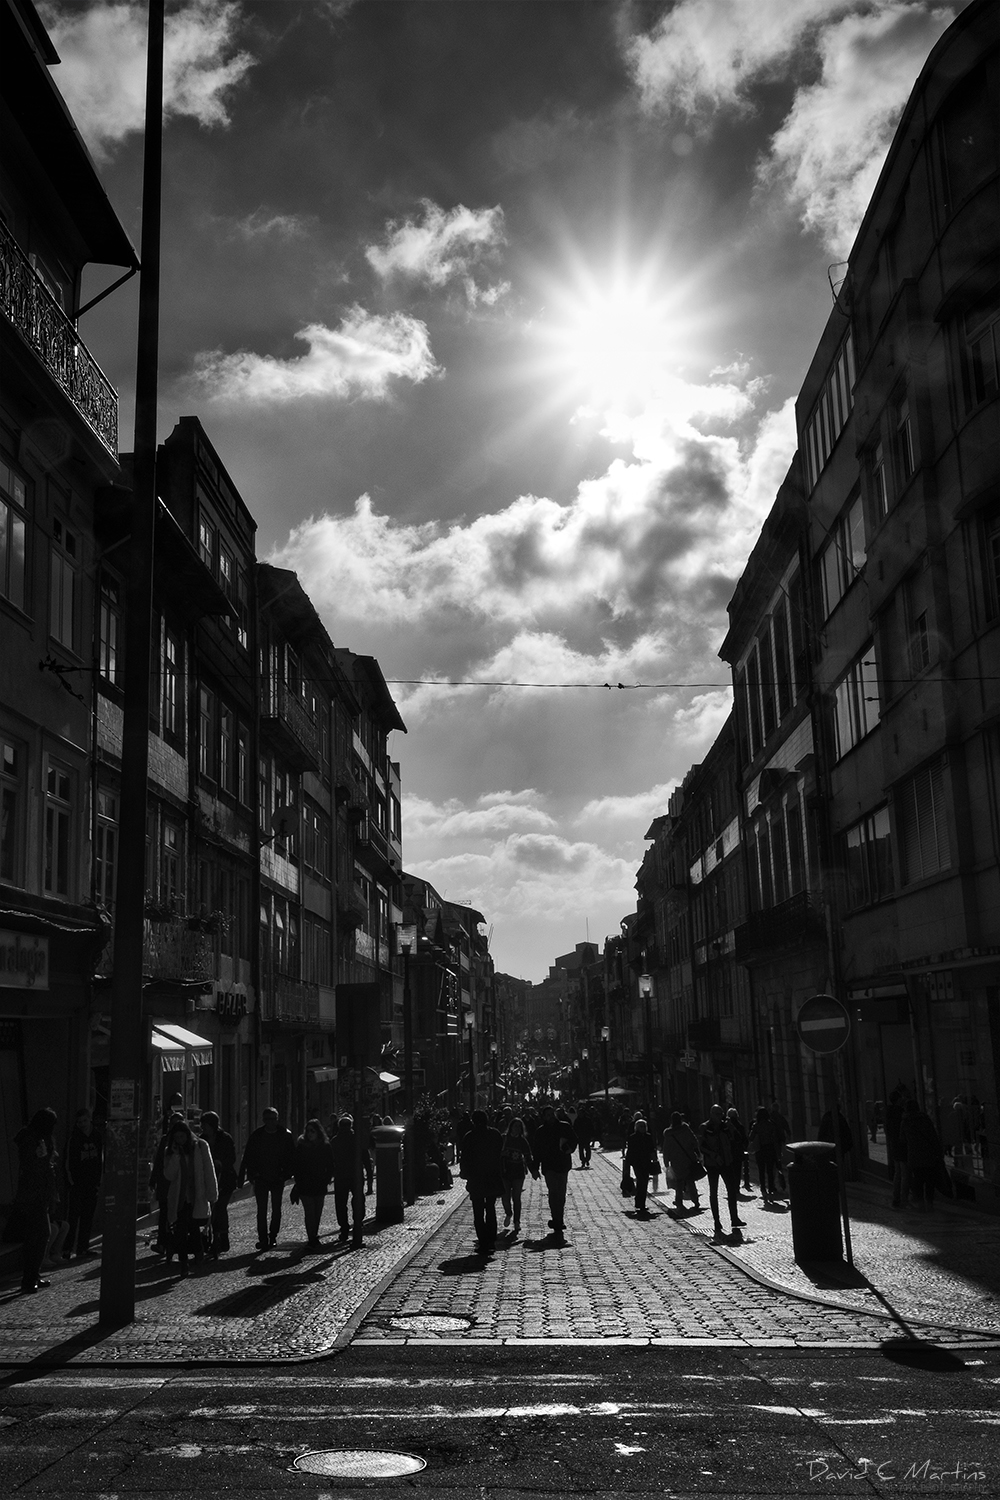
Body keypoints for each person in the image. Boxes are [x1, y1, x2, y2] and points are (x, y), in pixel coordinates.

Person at [161, 1116, 218, 1277]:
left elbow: (208, 1170)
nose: (180, 1140)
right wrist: (175, 1156)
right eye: (177, 1137)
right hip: (179, 1198)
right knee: (180, 1230)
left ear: (187, 1135)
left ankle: (198, 1252)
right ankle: (184, 1262)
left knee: (193, 1227)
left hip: (196, 1195)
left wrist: (212, 1193)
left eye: (182, 1136)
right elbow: (169, 1175)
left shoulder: (200, 1146)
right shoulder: (170, 1152)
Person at [12, 1108, 59, 1292]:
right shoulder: (32, 1139)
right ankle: (29, 1278)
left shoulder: (38, 1138)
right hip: (33, 1194)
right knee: (37, 1236)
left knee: (41, 1235)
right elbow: (34, 1166)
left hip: (39, 1193)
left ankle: (33, 1275)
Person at [239, 1106, 295, 1250]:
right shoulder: (257, 1136)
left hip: (277, 1178)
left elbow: (291, 1156)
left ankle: (273, 1236)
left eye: (273, 1119)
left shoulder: (285, 1135)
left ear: (277, 1119)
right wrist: (253, 1174)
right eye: (268, 1119)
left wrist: (285, 1174)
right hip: (261, 1178)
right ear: (263, 1120)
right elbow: (249, 1157)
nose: (271, 1122)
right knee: (261, 1210)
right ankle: (263, 1239)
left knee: (276, 1208)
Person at [459, 1108, 504, 1252]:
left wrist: (464, 1173)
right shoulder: (494, 1134)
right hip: (491, 1176)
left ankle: (483, 1241)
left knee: (478, 1211)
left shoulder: (469, 1136)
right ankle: (490, 1240)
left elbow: (465, 1158)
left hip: (476, 1178)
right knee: (490, 1208)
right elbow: (500, 1154)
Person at [531, 1106, 578, 1240]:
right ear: (544, 1116)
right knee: (553, 1192)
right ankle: (555, 1218)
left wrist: (569, 1148)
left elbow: (574, 1140)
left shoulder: (564, 1126)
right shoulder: (541, 1131)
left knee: (561, 1193)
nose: (550, 1116)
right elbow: (537, 1151)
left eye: (552, 1114)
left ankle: (559, 1219)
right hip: (549, 1166)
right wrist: (535, 1168)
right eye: (548, 1114)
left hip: (562, 1164)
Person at [699, 1104, 744, 1239]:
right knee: (714, 1192)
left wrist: (732, 1128)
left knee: (732, 1190)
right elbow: (701, 1146)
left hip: (726, 1162)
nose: (720, 1117)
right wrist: (713, 1155)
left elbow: (737, 1139)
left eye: (721, 1114)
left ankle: (734, 1218)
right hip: (712, 1164)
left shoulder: (726, 1126)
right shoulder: (705, 1127)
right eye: (717, 1114)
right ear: (712, 1114)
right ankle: (717, 1221)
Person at [63, 1106, 103, 1259]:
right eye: (79, 1122)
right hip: (77, 1184)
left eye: (84, 1121)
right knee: (73, 1217)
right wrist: (71, 1182)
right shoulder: (74, 1138)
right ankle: (67, 1249)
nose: (82, 1124)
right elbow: (68, 1162)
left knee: (87, 1217)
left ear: (90, 1119)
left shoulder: (97, 1136)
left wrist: (98, 1181)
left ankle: (82, 1247)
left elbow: (100, 1159)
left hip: (92, 1183)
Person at [292, 1118, 335, 1249]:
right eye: (308, 1131)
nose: (310, 1134)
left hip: (319, 1185)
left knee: (317, 1213)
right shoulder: (301, 1146)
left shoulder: (325, 1146)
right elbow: (296, 1166)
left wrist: (326, 1179)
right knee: (310, 1212)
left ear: (318, 1132)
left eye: (312, 1131)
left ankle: (314, 1235)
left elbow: (330, 1164)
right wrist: (298, 1182)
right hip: (305, 1185)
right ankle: (312, 1238)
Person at [199, 1112, 237, 1256]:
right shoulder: (202, 1140)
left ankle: (222, 1236)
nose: (203, 1127)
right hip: (209, 1179)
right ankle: (213, 1237)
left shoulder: (225, 1138)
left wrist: (220, 1163)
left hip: (225, 1179)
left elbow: (231, 1157)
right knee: (212, 1209)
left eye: (205, 1125)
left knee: (220, 1207)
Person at [899, 1099, 943, 1209]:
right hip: (928, 1153)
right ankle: (929, 1202)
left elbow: (902, 1139)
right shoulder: (925, 1119)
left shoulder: (905, 1121)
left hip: (914, 1154)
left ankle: (920, 1203)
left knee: (918, 1179)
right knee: (929, 1179)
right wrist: (938, 1151)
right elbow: (933, 1136)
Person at [331, 1116, 365, 1245]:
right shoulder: (357, 1139)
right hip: (355, 1175)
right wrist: (368, 1171)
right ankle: (357, 1224)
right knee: (358, 1200)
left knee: (341, 1203)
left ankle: (344, 1228)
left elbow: (331, 1160)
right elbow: (365, 1155)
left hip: (341, 1176)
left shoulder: (335, 1141)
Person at [500, 1117, 536, 1234]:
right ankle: (508, 1213)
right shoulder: (504, 1138)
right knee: (505, 1197)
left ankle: (517, 1221)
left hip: (518, 1172)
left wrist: (533, 1170)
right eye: (515, 1126)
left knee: (516, 1198)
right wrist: (501, 1154)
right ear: (511, 1127)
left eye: (519, 1127)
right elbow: (495, 1152)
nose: (517, 1129)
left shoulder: (522, 1141)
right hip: (505, 1172)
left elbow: (528, 1157)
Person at [661, 1111, 703, 1212]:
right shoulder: (685, 1128)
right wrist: (698, 1153)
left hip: (676, 1161)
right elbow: (694, 1141)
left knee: (679, 1182)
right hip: (688, 1159)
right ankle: (695, 1201)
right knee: (690, 1181)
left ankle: (679, 1201)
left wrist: (666, 1162)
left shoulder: (668, 1134)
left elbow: (666, 1149)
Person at [624, 1119, 659, 1215]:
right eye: (640, 1126)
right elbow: (630, 1151)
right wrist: (627, 1164)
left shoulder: (648, 1137)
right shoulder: (633, 1137)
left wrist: (654, 1158)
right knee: (641, 1181)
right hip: (637, 1163)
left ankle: (641, 1202)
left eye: (644, 1126)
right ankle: (640, 1203)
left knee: (644, 1182)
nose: (642, 1128)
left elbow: (652, 1148)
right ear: (637, 1127)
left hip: (646, 1162)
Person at [748, 1106, 779, 1200]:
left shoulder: (756, 1125)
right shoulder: (771, 1124)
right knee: (770, 1170)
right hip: (770, 1148)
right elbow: (775, 1138)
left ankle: (763, 1189)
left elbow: (751, 1137)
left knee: (761, 1171)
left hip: (760, 1149)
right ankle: (771, 1188)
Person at [726, 1107, 752, 1192]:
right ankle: (736, 1187)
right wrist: (744, 1147)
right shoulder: (740, 1126)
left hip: (728, 1151)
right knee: (737, 1170)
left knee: (729, 1170)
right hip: (738, 1151)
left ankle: (731, 1187)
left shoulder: (725, 1126)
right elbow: (744, 1139)